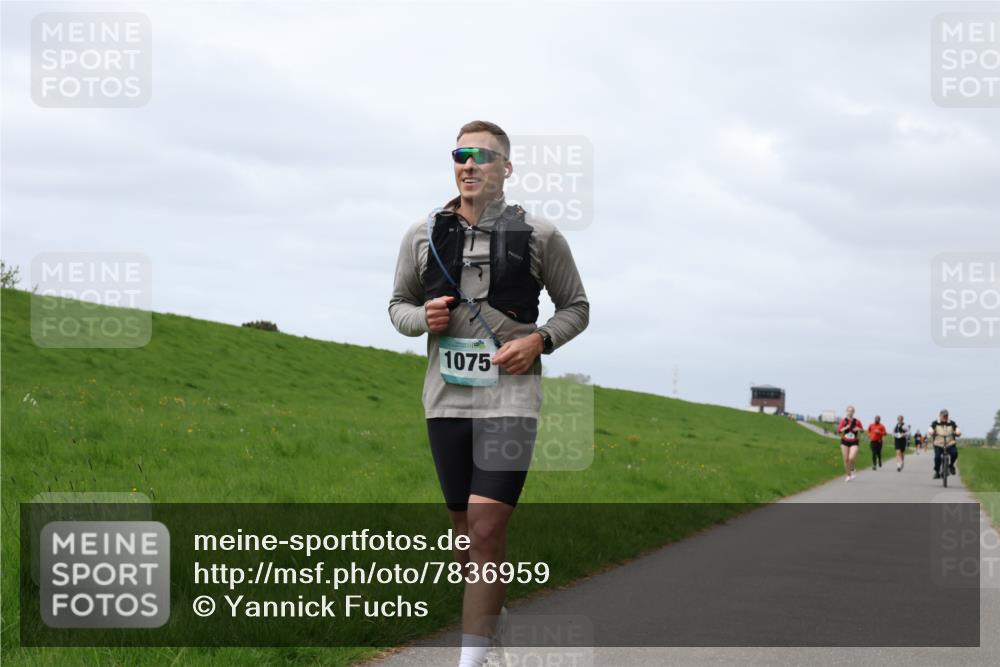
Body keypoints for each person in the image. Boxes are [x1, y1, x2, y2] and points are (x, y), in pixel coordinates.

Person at [389, 120, 589, 667]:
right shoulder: (421, 234)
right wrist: (421, 320)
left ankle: (469, 660)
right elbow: (397, 307)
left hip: (511, 400)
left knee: (485, 523)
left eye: (483, 155)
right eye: (461, 154)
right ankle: (491, 622)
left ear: (506, 167)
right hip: (446, 398)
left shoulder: (541, 236)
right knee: (466, 538)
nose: (470, 163)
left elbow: (577, 308)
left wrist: (540, 342)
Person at [928, 409, 962, 480]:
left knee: (954, 453)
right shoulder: (935, 423)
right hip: (938, 443)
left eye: (946, 416)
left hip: (950, 443)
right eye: (943, 416)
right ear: (940, 416)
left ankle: (951, 465)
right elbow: (930, 428)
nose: (945, 417)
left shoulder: (952, 423)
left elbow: (957, 429)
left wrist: (957, 432)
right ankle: (937, 471)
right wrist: (931, 432)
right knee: (937, 457)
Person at [837, 406, 863, 481]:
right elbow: (838, 430)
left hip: (854, 441)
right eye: (849, 411)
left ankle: (852, 468)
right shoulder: (843, 421)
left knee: (851, 458)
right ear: (846, 412)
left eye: (851, 411)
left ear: (853, 412)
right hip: (844, 441)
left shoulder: (857, 421)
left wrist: (858, 429)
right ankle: (848, 475)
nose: (850, 412)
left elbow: (862, 430)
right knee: (845, 459)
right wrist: (845, 428)